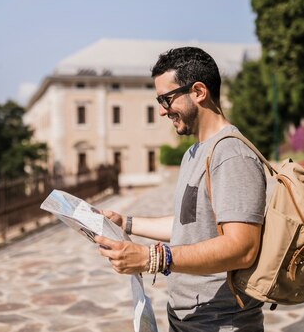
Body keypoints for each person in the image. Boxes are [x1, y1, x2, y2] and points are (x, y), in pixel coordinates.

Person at [94, 47, 267, 331]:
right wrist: (126, 222)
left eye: (166, 99)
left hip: (221, 322)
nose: (162, 110)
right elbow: (191, 227)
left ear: (198, 92)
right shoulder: (195, 152)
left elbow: (242, 248)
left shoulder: (231, 154)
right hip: (188, 317)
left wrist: (153, 258)